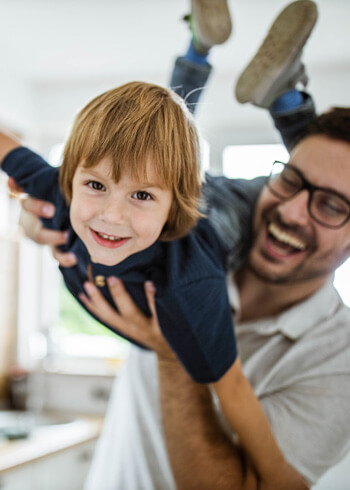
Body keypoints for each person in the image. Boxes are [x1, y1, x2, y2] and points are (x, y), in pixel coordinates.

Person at [12, 0, 350, 488]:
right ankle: (281, 97)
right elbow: (116, 182)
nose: (293, 210)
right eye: (291, 180)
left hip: (216, 213)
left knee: (172, 143)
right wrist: (51, 218)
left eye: (333, 207)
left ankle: (247, 77)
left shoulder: (335, 363)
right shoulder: (174, 235)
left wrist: (174, 353)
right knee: (165, 145)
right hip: (221, 206)